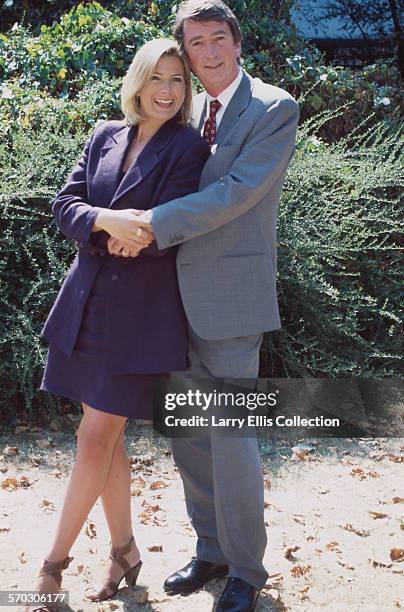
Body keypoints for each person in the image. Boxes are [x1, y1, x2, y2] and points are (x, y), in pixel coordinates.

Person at [125, 1, 301, 610]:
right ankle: (211, 550)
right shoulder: (183, 105)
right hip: (167, 298)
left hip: (231, 299)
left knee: (230, 434)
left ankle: (247, 571)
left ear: (236, 42)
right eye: (195, 41)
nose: (208, 51)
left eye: (217, 38)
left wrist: (150, 222)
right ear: (185, 50)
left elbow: (237, 193)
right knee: (189, 435)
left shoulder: (274, 108)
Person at [25, 38, 210, 612]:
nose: (168, 89)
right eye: (159, 77)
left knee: (95, 437)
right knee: (104, 438)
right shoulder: (105, 135)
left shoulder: (187, 147)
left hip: (138, 315)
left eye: (179, 80)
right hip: (84, 304)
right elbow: (65, 206)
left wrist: (126, 232)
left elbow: (164, 230)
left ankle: (52, 568)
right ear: (138, 81)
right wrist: (106, 219)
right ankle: (126, 551)